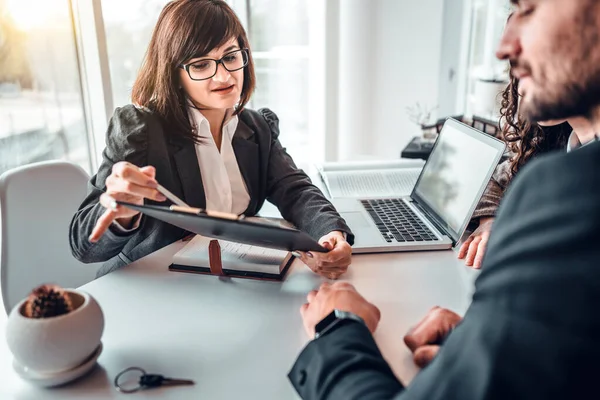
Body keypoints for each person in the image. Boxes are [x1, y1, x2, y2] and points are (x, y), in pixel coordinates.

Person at [289, 0, 600, 398]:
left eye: (530, 10)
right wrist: (491, 344)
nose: (502, 46)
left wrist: (337, 328)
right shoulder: (563, 151)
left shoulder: (570, 194)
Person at [69, 0, 353, 279]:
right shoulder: (142, 130)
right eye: (202, 64)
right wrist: (120, 212)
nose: (223, 75)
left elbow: (296, 190)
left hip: (227, 280)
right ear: (174, 74)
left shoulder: (257, 127)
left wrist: (329, 234)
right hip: (153, 285)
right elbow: (84, 248)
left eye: (230, 57)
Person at [457, 74, 596, 268]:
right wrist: (489, 220)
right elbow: (493, 176)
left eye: (534, 71)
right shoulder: (555, 143)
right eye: (519, 76)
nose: (521, 89)